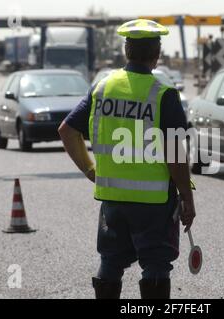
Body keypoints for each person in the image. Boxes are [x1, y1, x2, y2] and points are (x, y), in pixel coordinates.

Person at [58, 19, 196, 299]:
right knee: (156, 264)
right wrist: (186, 195)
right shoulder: (163, 95)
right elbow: (173, 150)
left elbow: (67, 130)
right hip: (154, 203)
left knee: (111, 261)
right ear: (156, 55)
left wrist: (89, 169)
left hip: (112, 199)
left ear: (126, 51)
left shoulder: (101, 88)